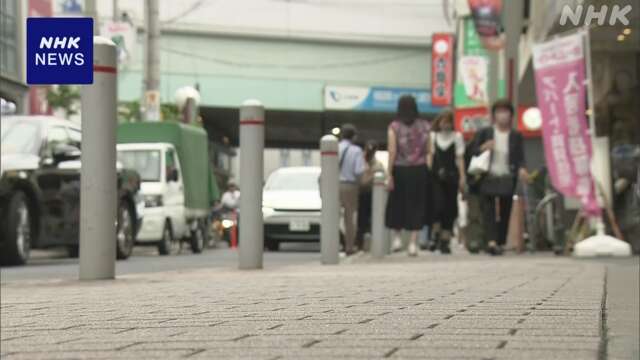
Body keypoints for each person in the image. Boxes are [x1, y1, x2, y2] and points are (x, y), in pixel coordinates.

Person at [468, 99, 527, 255]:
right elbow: (472, 151)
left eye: (505, 112)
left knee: (506, 210)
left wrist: (522, 169)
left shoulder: (516, 135)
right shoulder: (485, 133)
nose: (502, 115)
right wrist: (483, 147)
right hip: (488, 176)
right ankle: (491, 241)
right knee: (488, 210)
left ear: (511, 115)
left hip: (507, 176)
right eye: (499, 112)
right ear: (494, 115)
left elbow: (520, 157)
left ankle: (499, 241)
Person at [386, 95, 432, 257]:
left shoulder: (394, 126)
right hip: (419, 170)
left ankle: (397, 239)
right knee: (417, 205)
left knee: (397, 203)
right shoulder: (426, 126)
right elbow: (429, 152)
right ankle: (413, 243)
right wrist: (428, 170)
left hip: (399, 169)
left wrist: (389, 173)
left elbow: (392, 151)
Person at [428, 109, 466, 254]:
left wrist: (462, 177)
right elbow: (430, 156)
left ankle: (445, 241)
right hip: (436, 177)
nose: (446, 125)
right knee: (437, 206)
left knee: (450, 208)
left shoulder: (457, 137)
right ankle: (435, 234)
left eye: (449, 122)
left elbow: (460, 158)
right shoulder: (433, 137)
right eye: (444, 122)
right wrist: (429, 171)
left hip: (452, 176)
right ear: (439, 122)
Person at [338, 124, 366, 255]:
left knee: (332, 216)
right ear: (354, 136)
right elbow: (358, 170)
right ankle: (349, 246)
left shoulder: (334, 147)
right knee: (350, 218)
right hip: (350, 186)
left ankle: (330, 244)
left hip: (332, 185)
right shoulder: (356, 150)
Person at [356, 140, 385, 251]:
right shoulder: (361, 163)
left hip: (370, 195)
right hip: (363, 195)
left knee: (365, 221)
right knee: (362, 222)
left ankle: (366, 245)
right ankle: (360, 244)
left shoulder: (376, 165)